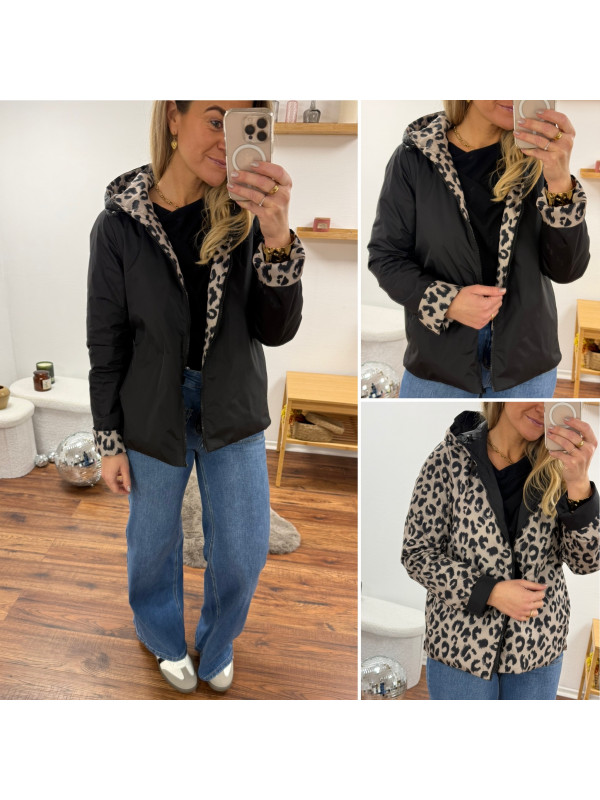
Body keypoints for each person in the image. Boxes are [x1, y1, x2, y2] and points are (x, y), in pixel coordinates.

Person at [86, 101, 304, 694]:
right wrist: (109, 440)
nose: (226, 139)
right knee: (152, 543)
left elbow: (276, 330)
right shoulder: (119, 225)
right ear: (173, 118)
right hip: (151, 409)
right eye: (214, 119)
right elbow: (107, 341)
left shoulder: (248, 215)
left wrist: (277, 236)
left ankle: (218, 638)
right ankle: (161, 635)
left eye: (241, 121)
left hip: (232, 405)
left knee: (243, 548)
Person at [368, 101, 590, 398]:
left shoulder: (538, 158)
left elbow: (566, 271)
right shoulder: (414, 159)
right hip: (439, 364)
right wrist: (447, 302)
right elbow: (386, 258)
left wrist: (560, 183)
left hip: (526, 367)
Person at [402, 402, 599, 700]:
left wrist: (579, 485)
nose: (541, 408)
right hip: (459, 644)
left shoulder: (561, 466)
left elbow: (586, 563)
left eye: (548, 400)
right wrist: (489, 592)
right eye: (530, 397)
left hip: (537, 646)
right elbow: (417, 554)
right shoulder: (448, 459)